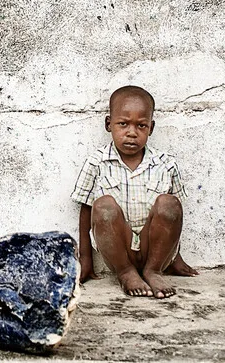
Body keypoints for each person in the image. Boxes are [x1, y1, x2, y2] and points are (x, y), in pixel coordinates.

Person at [71, 85, 198, 298]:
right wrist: (85, 258)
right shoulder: (97, 163)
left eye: (141, 125)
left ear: (151, 128)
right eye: (123, 124)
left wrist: (175, 257)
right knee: (103, 205)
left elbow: (173, 217)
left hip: (154, 248)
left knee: (170, 203)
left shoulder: (166, 164)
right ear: (108, 124)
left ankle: (153, 271)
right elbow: (86, 210)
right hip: (118, 248)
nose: (131, 133)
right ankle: (126, 272)